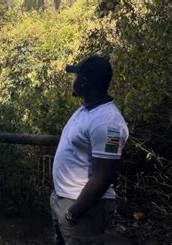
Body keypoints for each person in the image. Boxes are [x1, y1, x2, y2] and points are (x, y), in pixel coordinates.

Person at [50, 55, 129, 244]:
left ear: (84, 82)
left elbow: (104, 176)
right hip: (64, 200)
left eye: (76, 77)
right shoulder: (86, 110)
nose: (73, 81)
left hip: (84, 210)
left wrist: (73, 213)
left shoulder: (109, 123)